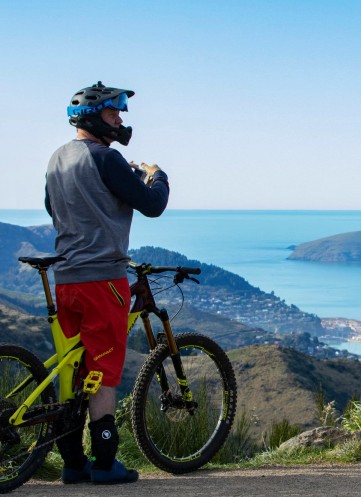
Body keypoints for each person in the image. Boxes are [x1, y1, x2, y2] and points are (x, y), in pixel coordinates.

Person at [45, 81, 170, 483]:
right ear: (93, 116)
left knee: (72, 368)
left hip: (65, 278)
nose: (120, 119)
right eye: (113, 112)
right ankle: (104, 463)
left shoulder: (56, 159)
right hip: (103, 279)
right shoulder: (106, 158)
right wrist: (157, 175)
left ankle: (72, 462)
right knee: (102, 370)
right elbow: (152, 206)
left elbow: (53, 206)